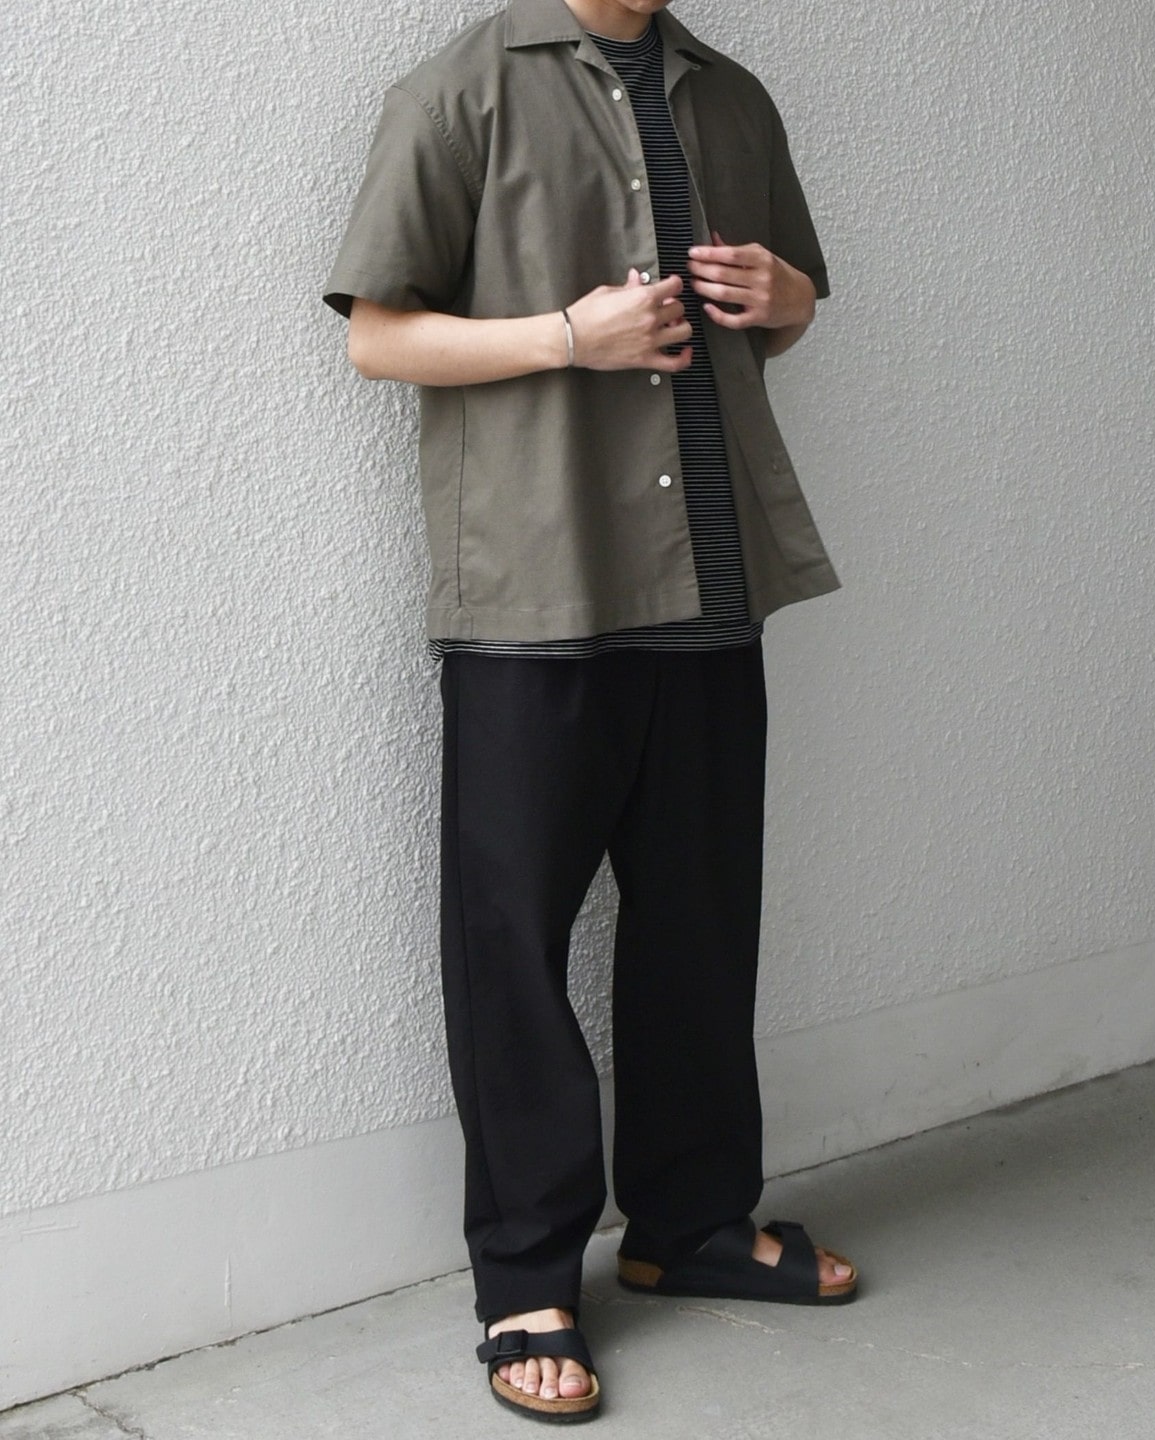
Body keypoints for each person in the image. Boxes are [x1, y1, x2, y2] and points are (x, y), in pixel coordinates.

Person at [324, 0, 854, 1421]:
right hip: (535, 594)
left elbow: (790, 306)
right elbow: (378, 338)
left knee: (701, 926)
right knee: (513, 948)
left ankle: (689, 1226)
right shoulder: (457, 96)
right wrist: (571, 333)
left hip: (714, 587)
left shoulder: (732, 98)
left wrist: (791, 302)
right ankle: (527, 1281)